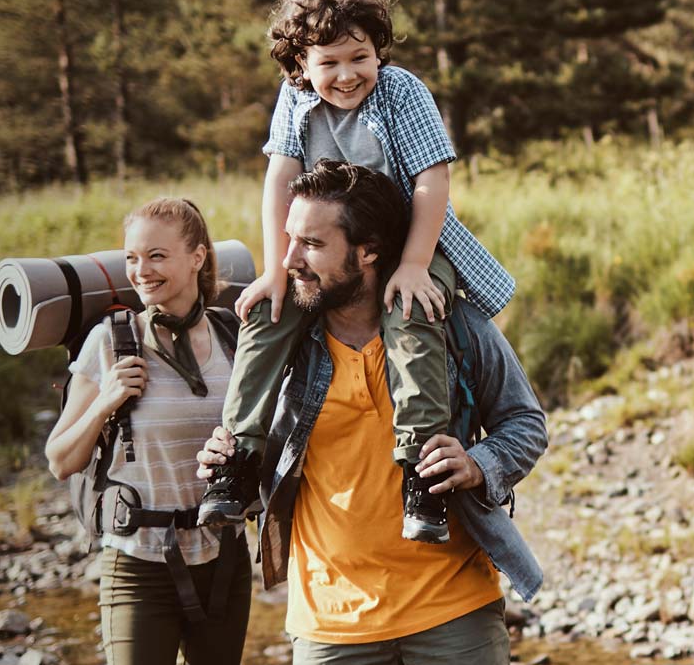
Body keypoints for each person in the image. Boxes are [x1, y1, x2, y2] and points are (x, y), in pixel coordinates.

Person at [200, 0, 519, 544]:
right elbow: (280, 178)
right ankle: (240, 456)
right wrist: (277, 268)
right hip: (323, 249)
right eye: (329, 64)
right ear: (301, 65)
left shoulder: (402, 92)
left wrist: (416, 264)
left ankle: (421, 465)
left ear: (379, 50)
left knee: (410, 318)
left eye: (360, 57)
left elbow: (431, 180)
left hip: (412, 241)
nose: (347, 76)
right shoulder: (295, 101)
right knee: (266, 318)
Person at [198, 160, 546, 665]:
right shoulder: (283, 340)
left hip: (454, 610)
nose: (289, 259)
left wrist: (478, 464)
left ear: (370, 251)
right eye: (289, 238)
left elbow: (526, 422)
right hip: (329, 624)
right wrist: (223, 456)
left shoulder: (452, 326)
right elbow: (254, 454)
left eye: (313, 245)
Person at [45, 198, 249, 665]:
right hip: (138, 565)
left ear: (197, 257)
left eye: (157, 256)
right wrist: (104, 401)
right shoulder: (110, 343)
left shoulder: (234, 339)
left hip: (224, 561)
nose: (141, 271)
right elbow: (60, 460)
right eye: (132, 258)